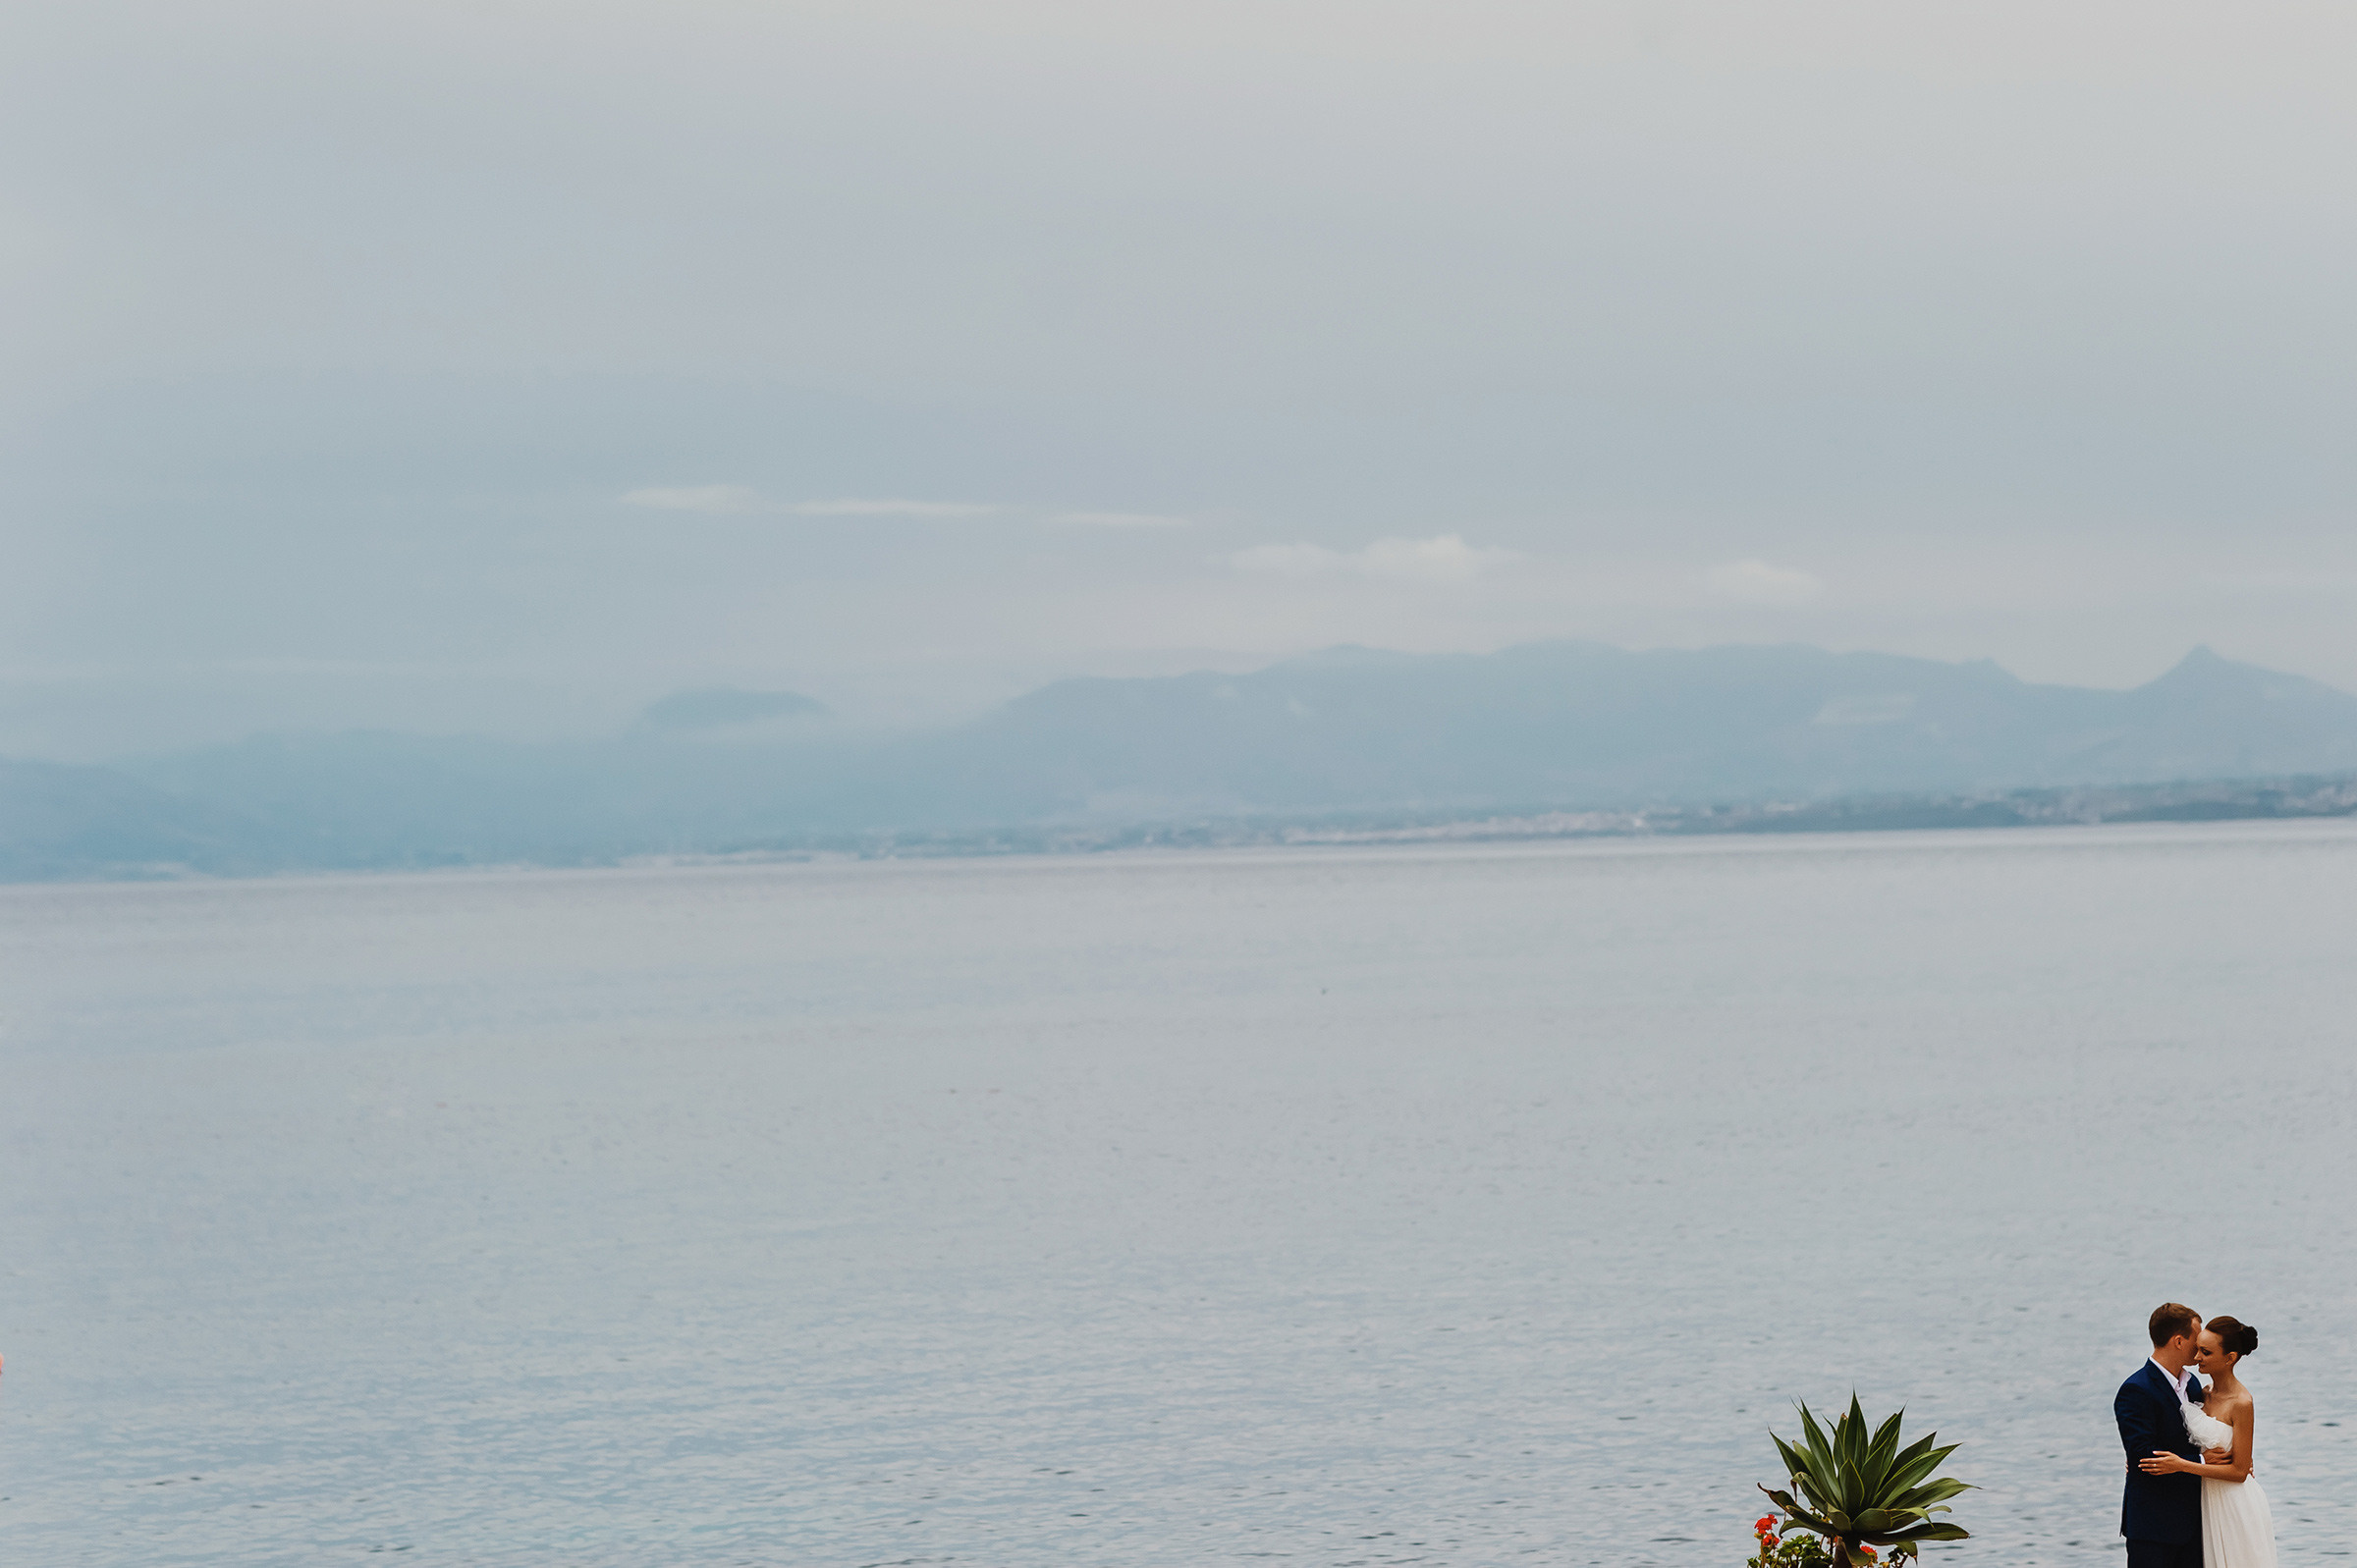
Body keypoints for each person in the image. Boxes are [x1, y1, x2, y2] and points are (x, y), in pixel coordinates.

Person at [2139, 1316, 2276, 1568]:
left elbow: (2239, 1471)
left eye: (2206, 1351)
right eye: (2198, 1348)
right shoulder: (2200, 1391)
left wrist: (2182, 1465)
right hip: (2205, 1503)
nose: (2197, 1356)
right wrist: (2138, 1457)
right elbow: (2176, 1432)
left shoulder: (2242, 1403)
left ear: (2230, 1357)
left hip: (2235, 1503)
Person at [2117, 1302, 2208, 1568]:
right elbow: (2144, 1457)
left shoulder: (2192, 1384)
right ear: (2179, 1341)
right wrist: (2204, 1463)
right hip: (2153, 1528)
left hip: (2196, 1524)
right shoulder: (2136, 1390)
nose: (2200, 1346)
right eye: (2197, 1338)